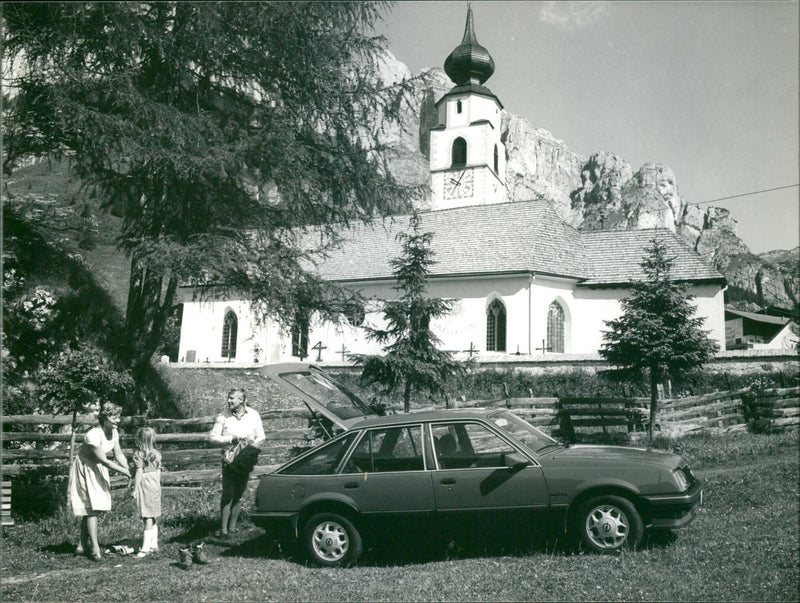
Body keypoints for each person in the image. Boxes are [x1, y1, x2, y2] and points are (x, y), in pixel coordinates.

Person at [68, 402, 130, 561]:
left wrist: (128, 468)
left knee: (92, 508)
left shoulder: (114, 432)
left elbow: (118, 454)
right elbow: (104, 460)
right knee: (92, 509)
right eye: (113, 417)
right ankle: (95, 548)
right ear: (104, 417)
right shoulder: (93, 434)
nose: (117, 420)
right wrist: (124, 472)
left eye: (118, 417)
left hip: (97, 468)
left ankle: (81, 545)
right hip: (86, 468)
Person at [208, 388, 265, 539]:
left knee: (239, 493)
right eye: (229, 398)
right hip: (229, 459)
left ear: (242, 400)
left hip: (246, 459)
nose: (229, 400)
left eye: (232, 398)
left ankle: (232, 528)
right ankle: (223, 530)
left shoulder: (253, 415)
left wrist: (251, 448)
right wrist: (230, 439)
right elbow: (212, 438)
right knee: (228, 493)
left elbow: (261, 437)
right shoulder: (223, 416)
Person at [131, 427, 162, 558]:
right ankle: (154, 545)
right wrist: (157, 486)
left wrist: (135, 488)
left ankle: (145, 548)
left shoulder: (139, 455)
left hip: (145, 484)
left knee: (147, 516)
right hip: (155, 484)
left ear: (140, 440)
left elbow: (139, 472)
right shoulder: (157, 454)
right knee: (152, 515)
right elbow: (159, 471)